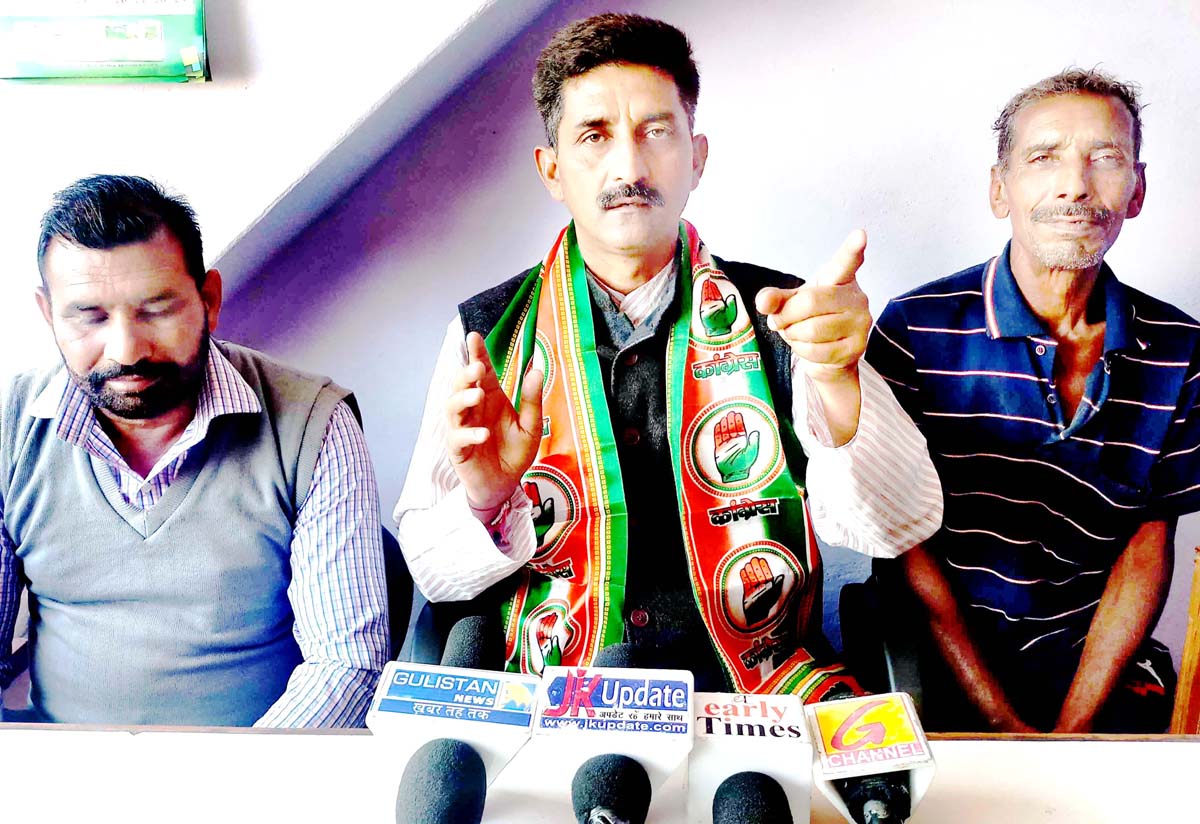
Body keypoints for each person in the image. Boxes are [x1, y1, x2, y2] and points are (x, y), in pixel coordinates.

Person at [396, 13, 942, 696]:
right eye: (594, 137)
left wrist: (837, 385)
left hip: (755, 703)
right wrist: (485, 499)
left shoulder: (789, 316)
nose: (628, 166)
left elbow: (901, 524)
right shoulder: (488, 333)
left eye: (656, 132)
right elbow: (429, 566)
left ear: (697, 157)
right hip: (554, 706)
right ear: (553, 169)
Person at [867, 69, 1200, 732]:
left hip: (1093, 667)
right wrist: (1002, 724)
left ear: (1137, 189)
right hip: (933, 659)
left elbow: (1146, 545)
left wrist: (1071, 732)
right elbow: (902, 539)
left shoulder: (1181, 350)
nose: (1075, 185)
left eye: (1105, 159)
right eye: (1044, 158)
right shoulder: (914, 328)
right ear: (1000, 190)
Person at [0, 175, 389, 727]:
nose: (126, 349)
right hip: (68, 781)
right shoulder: (10, 429)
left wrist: (226, 797)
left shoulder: (313, 423)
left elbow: (347, 665)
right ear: (48, 316)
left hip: (260, 785)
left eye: (156, 310)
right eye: (89, 317)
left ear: (208, 299)